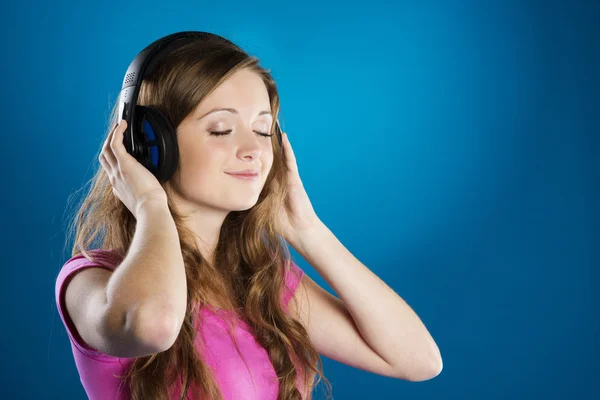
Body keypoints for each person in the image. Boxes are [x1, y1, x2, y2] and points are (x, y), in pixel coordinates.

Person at [55, 31, 442, 400]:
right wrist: (150, 204)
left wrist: (309, 232)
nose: (253, 149)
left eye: (262, 129)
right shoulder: (90, 280)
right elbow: (155, 324)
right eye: (221, 130)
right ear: (149, 146)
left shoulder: (262, 282)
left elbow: (417, 361)